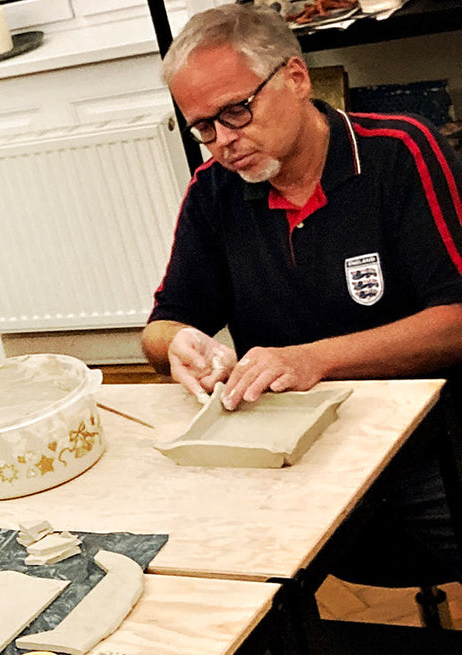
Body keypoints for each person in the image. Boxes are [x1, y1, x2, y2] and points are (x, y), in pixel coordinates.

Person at [143, 4, 462, 578]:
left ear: (296, 77)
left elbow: (456, 319)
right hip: (293, 449)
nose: (224, 142)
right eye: (204, 128)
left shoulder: (399, 152)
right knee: (206, 552)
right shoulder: (213, 193)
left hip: (426, 436)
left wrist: (313, 360)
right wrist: (177, 345)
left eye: (237, 111)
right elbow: (166, 321)